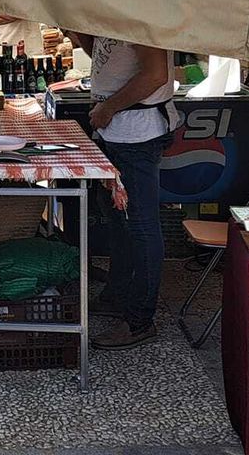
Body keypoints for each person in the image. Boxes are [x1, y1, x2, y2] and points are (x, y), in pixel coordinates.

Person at [66, 31, 179, 351]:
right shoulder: (113, 7)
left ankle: (139, 320)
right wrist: (76, 31)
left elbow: (156, 74)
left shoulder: (140, 10)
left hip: (137, 133)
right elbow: (103, 54)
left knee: (140, 223)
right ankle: (118, 296)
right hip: (115, 130)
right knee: (117, 217)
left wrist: (110, 107)